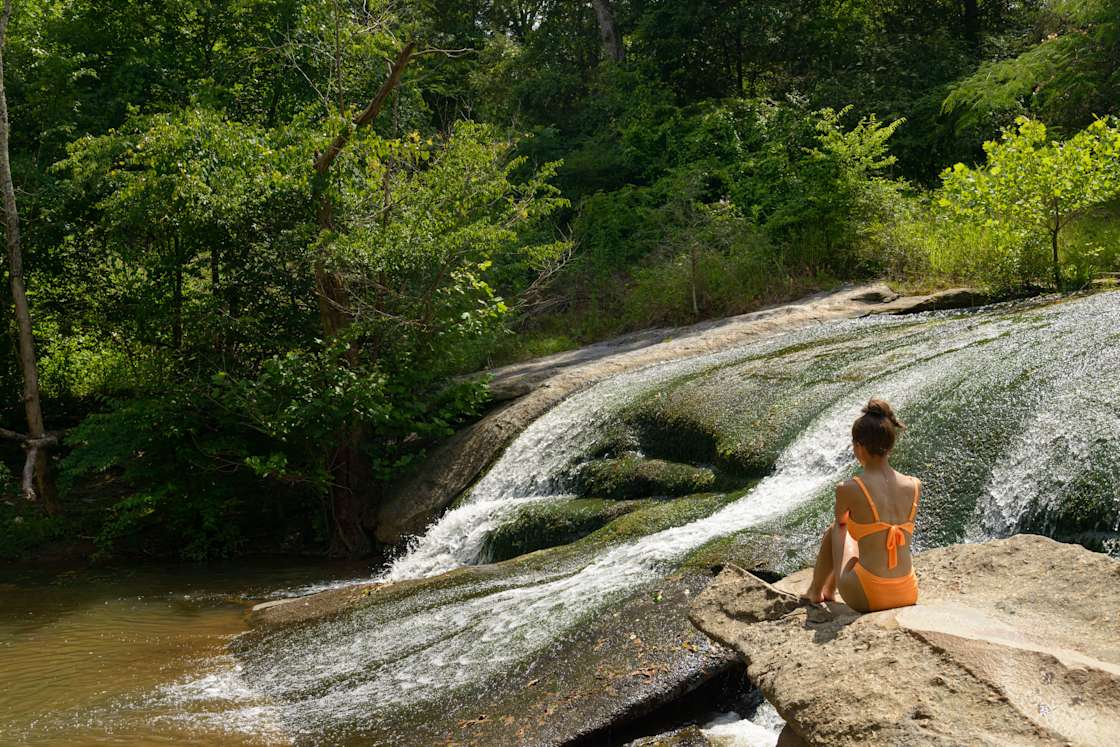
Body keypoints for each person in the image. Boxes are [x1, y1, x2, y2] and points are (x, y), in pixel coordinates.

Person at [803, 399, 919, 612]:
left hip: (870, 594)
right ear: (890, 444)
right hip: (907, 591)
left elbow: (842, 525)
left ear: (860, 446)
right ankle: (828, 590)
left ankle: (816, 591)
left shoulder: (849, 488)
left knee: (836, 528)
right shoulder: (914, 485)